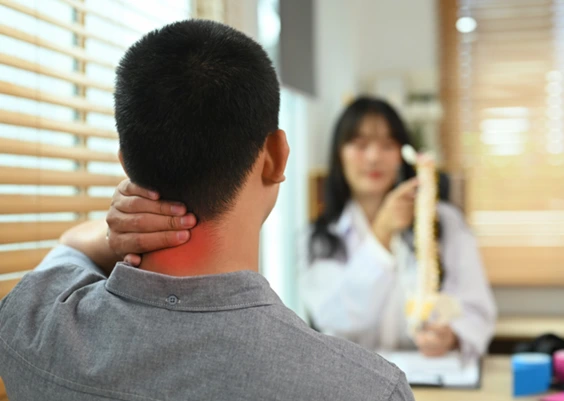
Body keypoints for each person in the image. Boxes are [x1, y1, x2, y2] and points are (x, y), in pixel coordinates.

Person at [0, 21, 414, 401]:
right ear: (276, 156)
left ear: (126, 163)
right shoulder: (367, 389)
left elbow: (69, 248)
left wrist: (111, 237)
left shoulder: (27, 329)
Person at [299, 97, 496, 359]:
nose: (373, 157)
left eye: (387, 145)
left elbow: (478, 309)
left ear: (402, 155)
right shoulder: (318, 239)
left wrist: (452, 336)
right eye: (360, 144)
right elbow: (334, 319)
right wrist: (381, 233)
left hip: (432, 377)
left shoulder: (446, 223)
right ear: (339, 154)